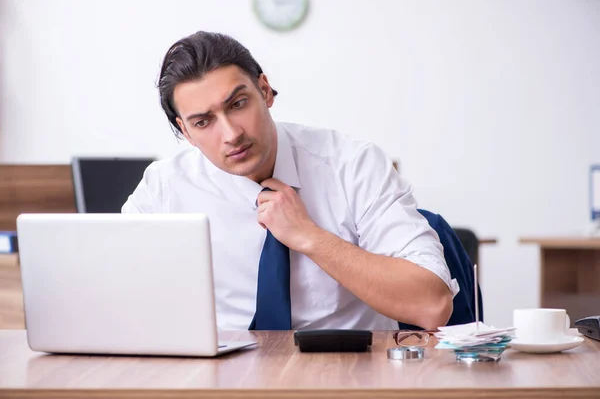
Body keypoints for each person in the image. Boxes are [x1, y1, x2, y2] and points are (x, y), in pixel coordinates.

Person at [122, 31, 459, 331]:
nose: (231, 134)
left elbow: (432, 306)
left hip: (350, 370)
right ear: (186, 132)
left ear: (265, 91)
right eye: (203, 121)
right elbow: (114, 294)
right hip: (226, 375)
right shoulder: (165, 189)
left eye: (238, 104)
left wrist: (309, 237)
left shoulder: (352, 165)